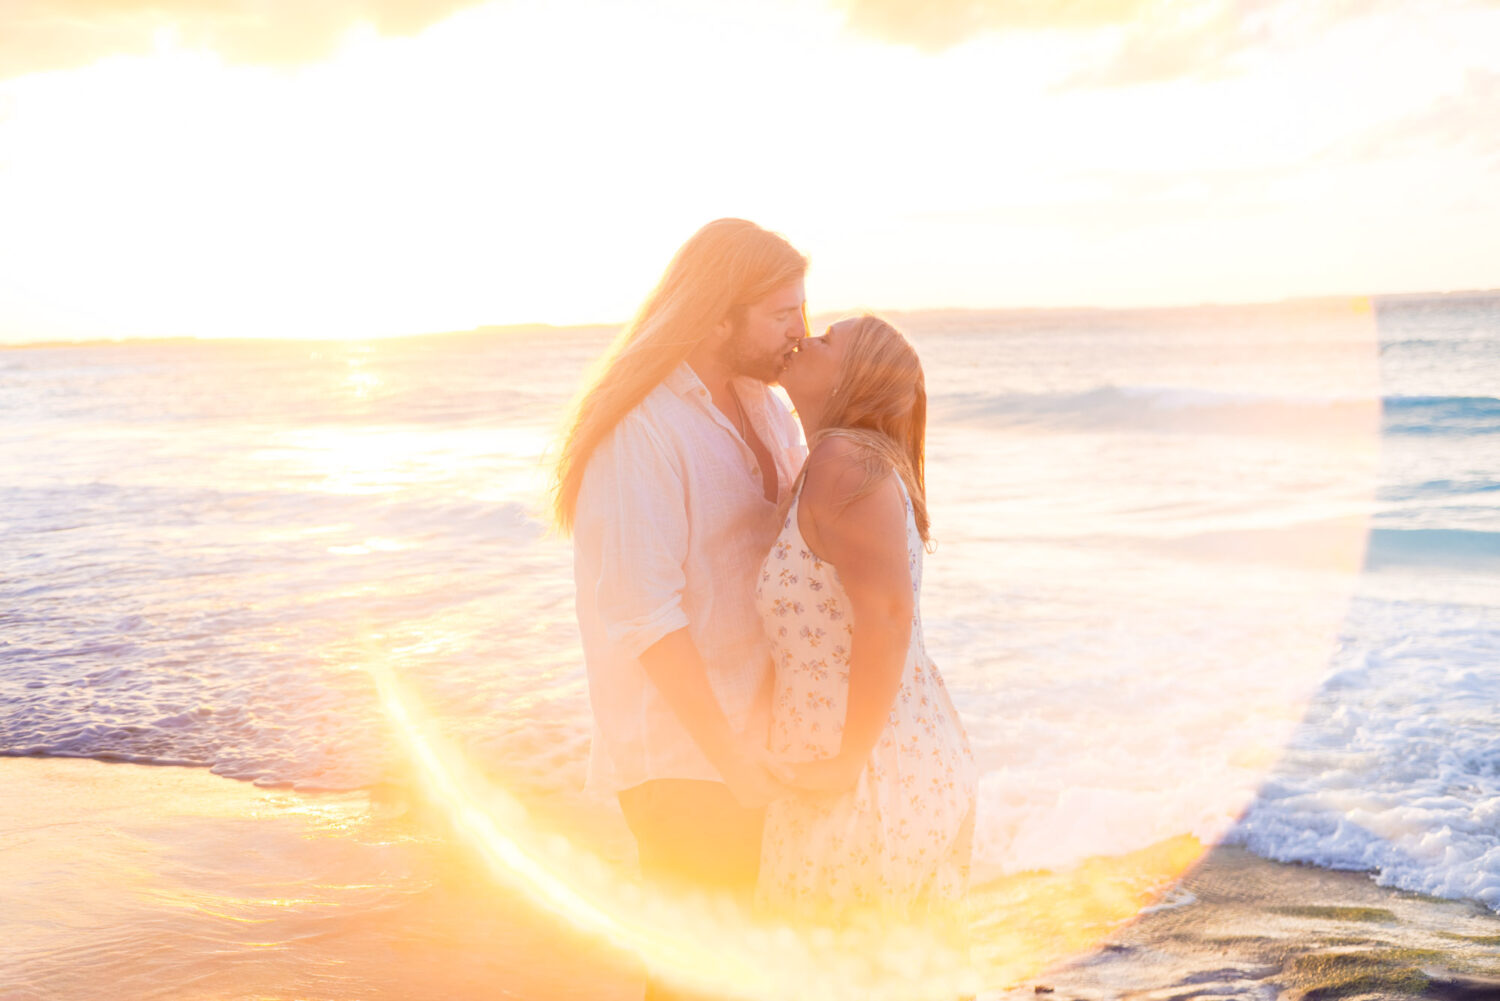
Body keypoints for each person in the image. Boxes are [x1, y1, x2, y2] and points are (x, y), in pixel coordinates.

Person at [551, 220, 808, 940]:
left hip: (755, 743)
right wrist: (731, 762)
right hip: (684, 758)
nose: (800, 331)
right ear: (721, 314)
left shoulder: (764, 402)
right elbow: (642, 615)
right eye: (783, 314)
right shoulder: (645, 426)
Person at [754, 314, 977, 925]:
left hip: (864, 774)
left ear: (853, 380)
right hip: (893, 754)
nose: (805, 338)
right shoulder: (838, 461)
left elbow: (887, 614)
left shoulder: (844, 463)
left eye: (827, 340)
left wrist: (846, 763)